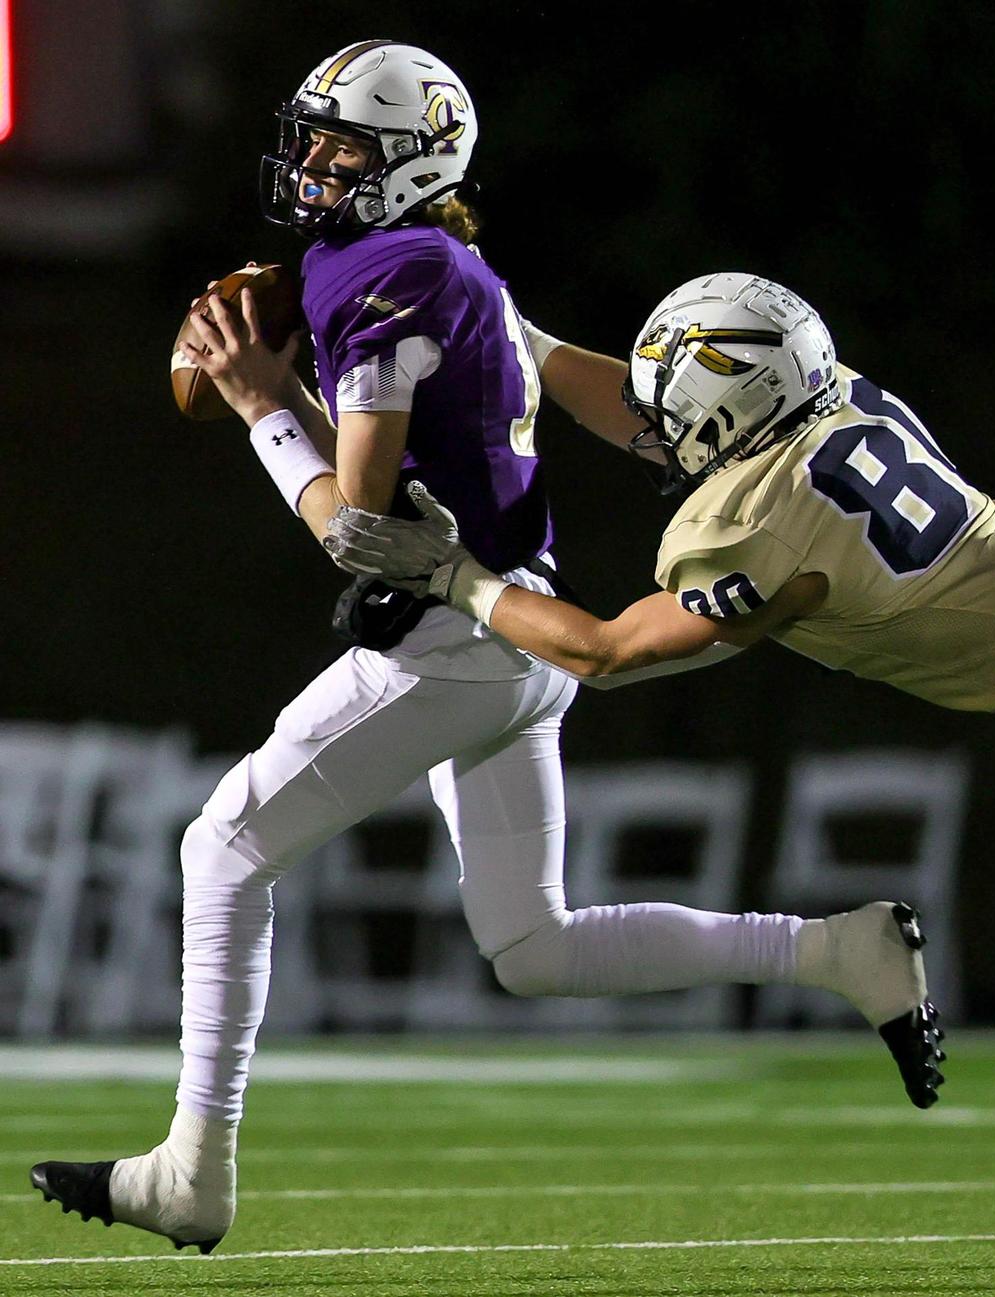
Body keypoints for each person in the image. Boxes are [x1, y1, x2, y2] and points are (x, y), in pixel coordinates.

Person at [28, 44, 945, 1257]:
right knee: (534, 946)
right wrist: (288, 397)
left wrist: (262, 410)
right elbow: (560, 390)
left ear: (413, 162)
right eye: (311, 138)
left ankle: (192, 1171)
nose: (312, 165)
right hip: (521, 639)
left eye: (342, 146)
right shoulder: (444, 263)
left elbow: (358, 528)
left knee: (224, 844)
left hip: (456, 642)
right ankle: (842, 949)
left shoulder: (395, 271)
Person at [322, 271, 995, 796]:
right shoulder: (835, 394)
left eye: (670, 403)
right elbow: (659, 417)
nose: (656, 422)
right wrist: (520, 335)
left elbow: (605, 653)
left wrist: (453, 575)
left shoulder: (761, 527)